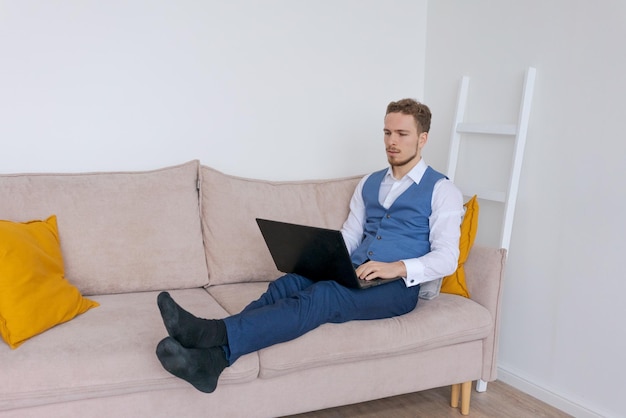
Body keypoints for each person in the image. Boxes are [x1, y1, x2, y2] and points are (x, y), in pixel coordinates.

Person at [155, 98, 464, 393]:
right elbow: (350, 236)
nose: (391, 141)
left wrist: (396, 267)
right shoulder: (370, 182)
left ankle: (210, 335)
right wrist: (318, 254)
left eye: (401, 134)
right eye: (387, 132)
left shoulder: (442, 189)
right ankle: (214, 360)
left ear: (422, 139)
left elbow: (448, 257)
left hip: (396, 288)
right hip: (353, 271)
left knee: (323, 296)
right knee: (287, 285)